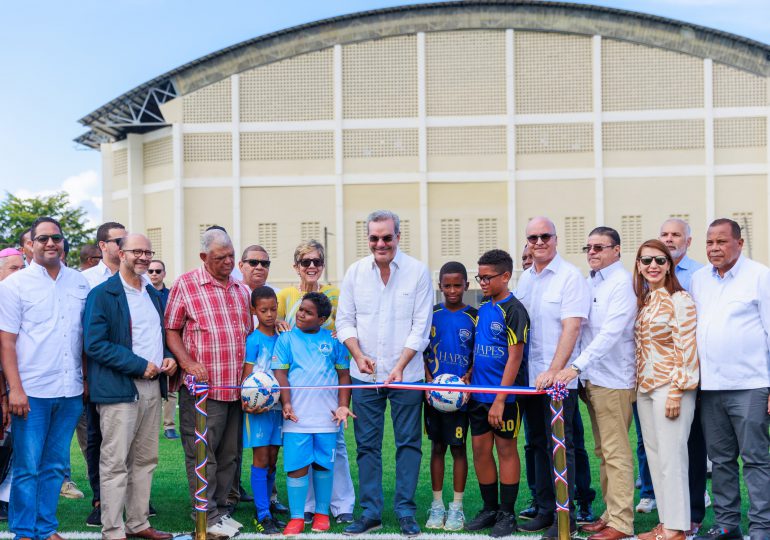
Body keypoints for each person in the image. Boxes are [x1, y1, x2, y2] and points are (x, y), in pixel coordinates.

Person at [336, 210, 432, 537]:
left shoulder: (418, 272)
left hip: (408, 376)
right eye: (375, 237)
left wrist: (400, 366)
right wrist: (358, 355)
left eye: (387, 237)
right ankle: (371, 513)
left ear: (398, 237)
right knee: (366, 446)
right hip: (365, 377)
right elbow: (344, 321)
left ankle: (406, 512)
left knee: (408, 444)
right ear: (368, 239)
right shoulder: (355, 273)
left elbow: (421, 327)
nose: (381, 243)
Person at [82, 233, 176, 540]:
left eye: (148, 252)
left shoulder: (153, 293)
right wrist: (138, 364)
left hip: (152, 387)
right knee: (115, 462)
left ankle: (138, 523)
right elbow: (95, 344)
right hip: (118, 389)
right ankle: (113, 529)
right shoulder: (102, 294)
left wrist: (168, 357)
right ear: (120, 254)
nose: (144, 257)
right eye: (137, 251)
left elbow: (161, 336)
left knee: (145, 460)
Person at [0, 216, 88, 540]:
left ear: (64, 243)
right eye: (43, 239)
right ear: (31, 245)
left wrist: (85, 380)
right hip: (31, 391)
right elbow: (6, 342)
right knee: (27, 467)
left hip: (70, 391)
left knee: (54, 466)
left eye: (56, 238)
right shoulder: (13, 286)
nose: (50, 243)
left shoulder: (79, 283)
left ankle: (46, 527)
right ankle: (24, 531)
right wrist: (15, 390)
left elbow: (82, 338)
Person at [165, 228, 252, 539]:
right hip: (203, 392)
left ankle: (221, 511)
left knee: (230, 455)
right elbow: (171, 329)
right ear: (204, 258)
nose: (228, 262)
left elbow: (247, 337)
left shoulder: (242, 290)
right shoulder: (186, 284)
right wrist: (188, 363)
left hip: (234, 389)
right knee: (203, 454)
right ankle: (205, 514)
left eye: (231, 255)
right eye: (220, 258)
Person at [555, 227, 636, 540]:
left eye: (599, 247)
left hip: (613, 381)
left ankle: (622, 523)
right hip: (593, 380)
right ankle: (610, 513)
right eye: (588, 247)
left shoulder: (622, 284)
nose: (592, 252)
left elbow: (609, 335)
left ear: (616, 250)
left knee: (616, 452)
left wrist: (574, 367)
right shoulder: (590, 282)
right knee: (604, 451)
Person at [691, 219, 770, 540]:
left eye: (721, 242)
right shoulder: (699, 280)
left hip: (750, 386)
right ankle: (726, 525)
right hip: (710, 389)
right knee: (721, 462)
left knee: (755, 460)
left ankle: (762, 527)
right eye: (710, 242)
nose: (714, 248)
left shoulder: (760, 276)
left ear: (738, 243)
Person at [515, 217, 590, 540]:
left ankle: (566, 516)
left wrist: (555, 371)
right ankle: (545, 509)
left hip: (557, 383)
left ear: (556, 239)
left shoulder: (570, 277)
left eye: (545, 236)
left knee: (560, 446)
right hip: (530, 381)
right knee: (535, 445)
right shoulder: (526, 279)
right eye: (533, 237)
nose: (539, 241)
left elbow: (572, 327)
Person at [277, 240, 354, 524]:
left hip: (327, 382)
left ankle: (340, 503)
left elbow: (344, 324)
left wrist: (339, 335)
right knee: (300, 447)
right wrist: (278, 327)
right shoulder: (285, 295)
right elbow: (275, 322)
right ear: (296, 266)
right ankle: (307, 506)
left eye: (317, 262)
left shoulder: (335, 293)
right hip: (296, 383)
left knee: (335, 446)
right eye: (305, 262)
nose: (312, 267)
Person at [633, 239, 699, 540]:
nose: (653, 266)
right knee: (657, 458)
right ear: (638, 265)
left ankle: (676, 528)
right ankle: (666, 522)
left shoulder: (679, 299)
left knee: (673, 459)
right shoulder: (646, 300)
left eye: (659, 260)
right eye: (646, 261)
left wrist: (677, 390)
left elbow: (687, 347)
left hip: (670, 388)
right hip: (645, 388)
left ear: (669, 264)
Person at [464, 250, 528, 538]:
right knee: (480, 450)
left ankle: (507, 513)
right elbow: (480, 351)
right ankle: (490, 508)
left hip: (504, 399)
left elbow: (515, 358)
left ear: (505, 276)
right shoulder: (484, 308)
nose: (482, 282)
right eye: (480, 277)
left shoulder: (514, 310)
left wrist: (501, 399)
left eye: (487, 277)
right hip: (478, 396)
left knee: (505, 451)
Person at [659, 218, 708, 530]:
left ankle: (692, 513)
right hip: (655, 377)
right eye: (664, 234)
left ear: (688, 241)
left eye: (676, 234)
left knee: (691, 444)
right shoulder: (651, 272)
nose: (669, 239)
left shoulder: (700, 276)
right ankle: (667, 513)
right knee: (661, 446)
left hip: (688, 374)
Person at [80, 221, 128, 526]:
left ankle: (135, 499)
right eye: (118, 240)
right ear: (103, 246)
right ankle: (101, 500)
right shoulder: (83, 281)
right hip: (96, 372)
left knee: (130, 441)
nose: (123, 245)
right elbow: (80, 332)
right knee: (97, 438)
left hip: (131, 372)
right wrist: (84, 375)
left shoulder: (138, 279)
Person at [423, 262, 476, 532]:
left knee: (458, 448)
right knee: (437, 448)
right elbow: (420, 348)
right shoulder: (430, 314)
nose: (452, 290)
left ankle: (456, 506)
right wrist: (427, 379)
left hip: (461, 398)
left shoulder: (475, 317)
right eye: (447, 285)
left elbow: (480, 353)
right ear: (440, 286)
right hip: (433, 396)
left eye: (458, 285)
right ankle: (436, 504)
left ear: (467, 285)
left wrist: (468, 375)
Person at [241, 286, 283, 535]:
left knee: (273, 458)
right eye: (263, 310)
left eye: (273, 309)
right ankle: (262, 514)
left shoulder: (283, 336)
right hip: (258, 409)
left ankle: (268, 505)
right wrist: (247, 400)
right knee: (262, 458)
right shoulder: (253, 339)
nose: (269, 314)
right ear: (253, 310)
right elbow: (248, 375)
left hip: (278, 407)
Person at [0, 248, 23, 520]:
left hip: (15, 382)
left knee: (13, 443)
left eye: (22, 268)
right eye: (13, 268)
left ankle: (5, 498)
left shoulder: (20, 298)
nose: (19, 274)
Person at [148, 260, 178, 440]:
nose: (154, 274)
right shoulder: (142, 294)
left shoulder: (171, 295)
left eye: (158, 271)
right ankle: (150, 428)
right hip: (149, 347)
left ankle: (169, 426)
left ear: (164, 274)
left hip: (169, 346)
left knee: (170, 390)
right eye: (150, 271)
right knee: (150, 389)